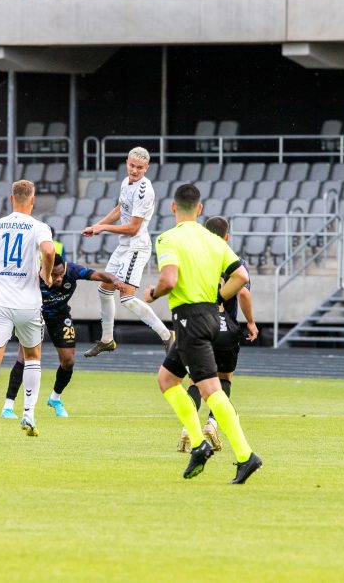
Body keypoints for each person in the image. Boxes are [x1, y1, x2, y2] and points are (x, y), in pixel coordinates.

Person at [145, 183, 262, 484]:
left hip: (189, 320)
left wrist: (154, 293)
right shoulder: (214, 241)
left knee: (210, 390)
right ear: (199, 209)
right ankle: (199, 445)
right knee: (167, 379)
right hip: (211, 316)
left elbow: (169, 280)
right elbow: (243, 276)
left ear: (173, 207)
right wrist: (220, 297)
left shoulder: (168, 239)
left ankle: (245, 455)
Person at [0, 254, 122, 418]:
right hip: (34, 314)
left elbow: (99, 274)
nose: (57, 279)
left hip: (60, 316)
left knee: (68, 361)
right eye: (53, 275)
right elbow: (3, 287)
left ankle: (55, 398)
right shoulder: (33, 273)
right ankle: (8, 406)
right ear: (44, 269)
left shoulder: (72, 270)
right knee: (24, 357)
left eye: (60, 275)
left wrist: (114, 280)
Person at [0, 179, 55, 437]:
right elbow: (48, 251)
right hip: (28, 303)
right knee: (33, 356)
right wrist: (47, 275)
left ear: (11, 199)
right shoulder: (38, 227)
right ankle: (28, 414)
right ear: (33, 200)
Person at [177, 215, 259, 453]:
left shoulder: (195, 259)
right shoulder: (233, 259)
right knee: (224, 378)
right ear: (227, 237)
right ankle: (212, 423)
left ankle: (187, 428)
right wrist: (251, 323)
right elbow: (243, 294)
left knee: (195, 380)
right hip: (226, 329)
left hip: (199, 326)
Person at [82, 146, 173, 357]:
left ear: (146, 168)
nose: (134, 170)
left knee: (127, 298)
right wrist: (97, 226)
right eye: (132, 166)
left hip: (136, 247)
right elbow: (119, 209)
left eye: (139, 168)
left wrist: (103, 228)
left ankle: (167, 335)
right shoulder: (126, 182)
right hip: (123, 246)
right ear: (127, 162)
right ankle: (107, 340)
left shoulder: (145, 191)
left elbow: (133, 229)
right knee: (104, 289)